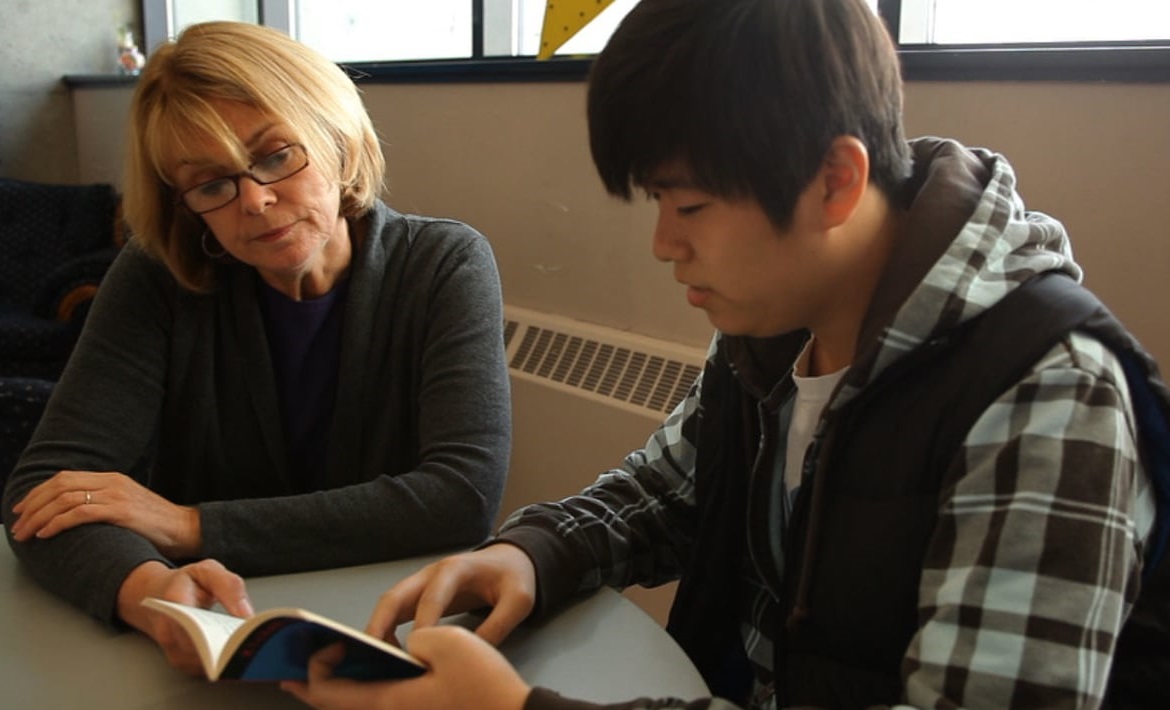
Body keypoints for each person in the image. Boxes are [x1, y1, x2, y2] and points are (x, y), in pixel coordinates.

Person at [285, 1, 1170, 709]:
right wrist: (533, 553)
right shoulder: (778, 325)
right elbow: (669, 491)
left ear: (835, 180)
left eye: (693, 207)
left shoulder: (1048, 396)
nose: (665, 244)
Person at [1, 21, 511, 676]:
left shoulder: (445, 262)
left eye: (276, 155)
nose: (257, 201)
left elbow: (460, 497)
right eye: (212, 183)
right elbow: (43, 492)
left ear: (337, 139)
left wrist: (186, 526)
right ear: (186, 205)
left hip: (394, 630)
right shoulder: (157, 275)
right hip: (214, 629)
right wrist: (151, 591)